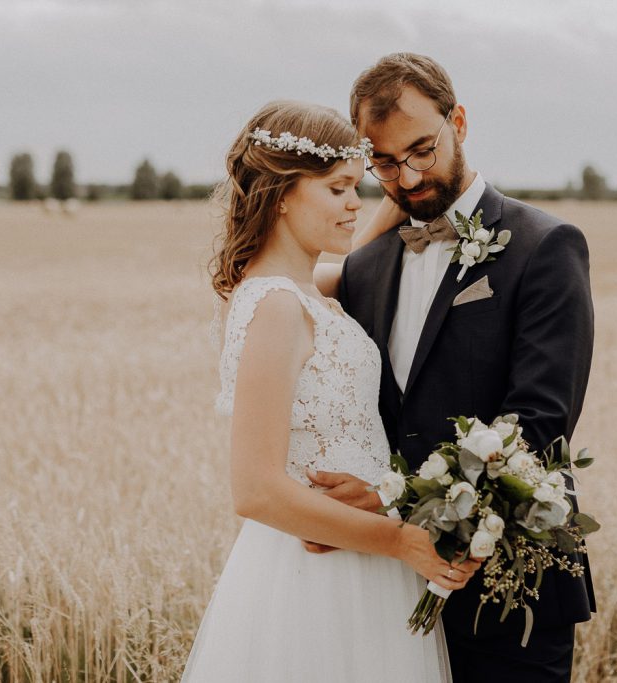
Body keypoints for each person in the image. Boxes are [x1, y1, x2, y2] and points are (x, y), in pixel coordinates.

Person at [306, 53, 597, 681]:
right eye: (383, 161)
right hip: (391, 590)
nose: (407, 178)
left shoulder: (545, 247)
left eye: (421, 150)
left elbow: (537, 425)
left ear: (458, 121)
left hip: (510, 591)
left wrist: (391, 503)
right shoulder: (365, 267)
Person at [180, 100, 481, 682]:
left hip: (362, 556)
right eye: (339, 188)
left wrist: (407, 178)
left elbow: (359, 257)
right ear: (282, 194)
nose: (354, 203)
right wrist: (402, 541)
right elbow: (255, 490)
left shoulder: (303, 288)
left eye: (358, 186)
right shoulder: (275, 307)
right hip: (316, 573)